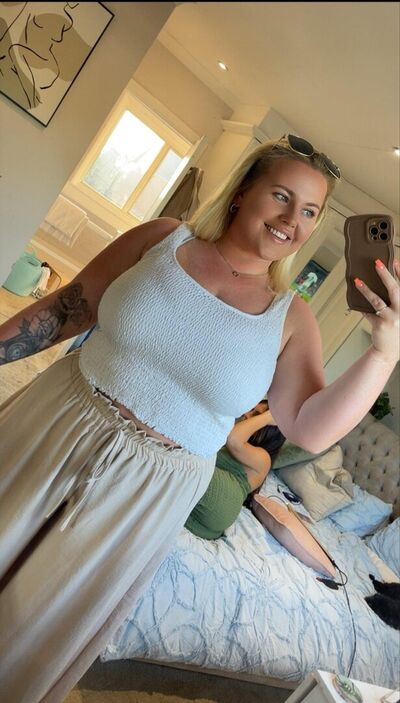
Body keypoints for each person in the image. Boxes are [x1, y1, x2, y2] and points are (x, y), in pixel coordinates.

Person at [0, 134, 399, 702]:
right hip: (62, 420)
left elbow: (309, 426)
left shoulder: (292, 318)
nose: (293, 220)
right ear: (242, 192)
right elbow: (68, 309)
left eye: (310, 211)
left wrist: (384, 352)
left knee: (35, 619)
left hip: (149, 489)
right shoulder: (162, 240)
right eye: (282, 196)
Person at [185, 401, 286, 540]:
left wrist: (268, 416)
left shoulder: (264, 458)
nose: (246, 414)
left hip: (225, 498)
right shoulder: (234, 438)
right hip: (211, 514)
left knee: (183, 459)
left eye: (255, 414)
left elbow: (233, 439)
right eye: (251, 410)